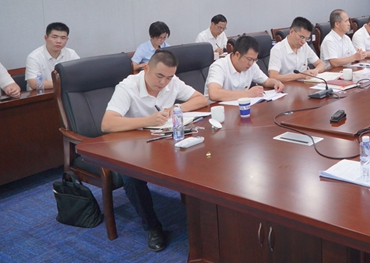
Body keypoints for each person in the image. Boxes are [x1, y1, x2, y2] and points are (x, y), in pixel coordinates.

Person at [100, 50, 208, 252]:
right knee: (131, 177)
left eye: (169, 77)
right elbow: (107, 123)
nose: (163, 82)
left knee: (199, 153)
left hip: (163, 141)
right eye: (159, 76)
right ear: (146, 68)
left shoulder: (171, 82)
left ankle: (204, 215)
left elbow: (201, 99)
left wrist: (177, 109)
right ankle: (152, 226)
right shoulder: (128, 87)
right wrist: (147, 121)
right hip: (133, 145)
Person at [205, 36, 284, 100]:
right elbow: (214, 93)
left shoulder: (251, 65)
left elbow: (266, 81)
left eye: (254, 60)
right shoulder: (219, 66)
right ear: (237, 54)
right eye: (249, 59)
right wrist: (248, 93)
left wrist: (276, 83)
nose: (251, 63)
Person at [268, 17, 326, 82]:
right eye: (302, 37)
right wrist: (301, 75)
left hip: (305, 84)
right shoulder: (277, 49)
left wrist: (315, 70)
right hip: (287, 85)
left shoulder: (304, 46)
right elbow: (273, 77)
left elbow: (321, 64)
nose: (303, 41)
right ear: (292, 32)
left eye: (306, 38)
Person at [25, 22, 80, 90]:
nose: (59, 41)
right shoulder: (34, 57)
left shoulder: (71, 53)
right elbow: (34, 83)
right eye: (54, 37)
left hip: (65, 92)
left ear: (67, 39)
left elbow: (80, 75)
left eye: (63, 38)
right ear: (46, 38)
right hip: (42, 94)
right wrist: (63, 83)